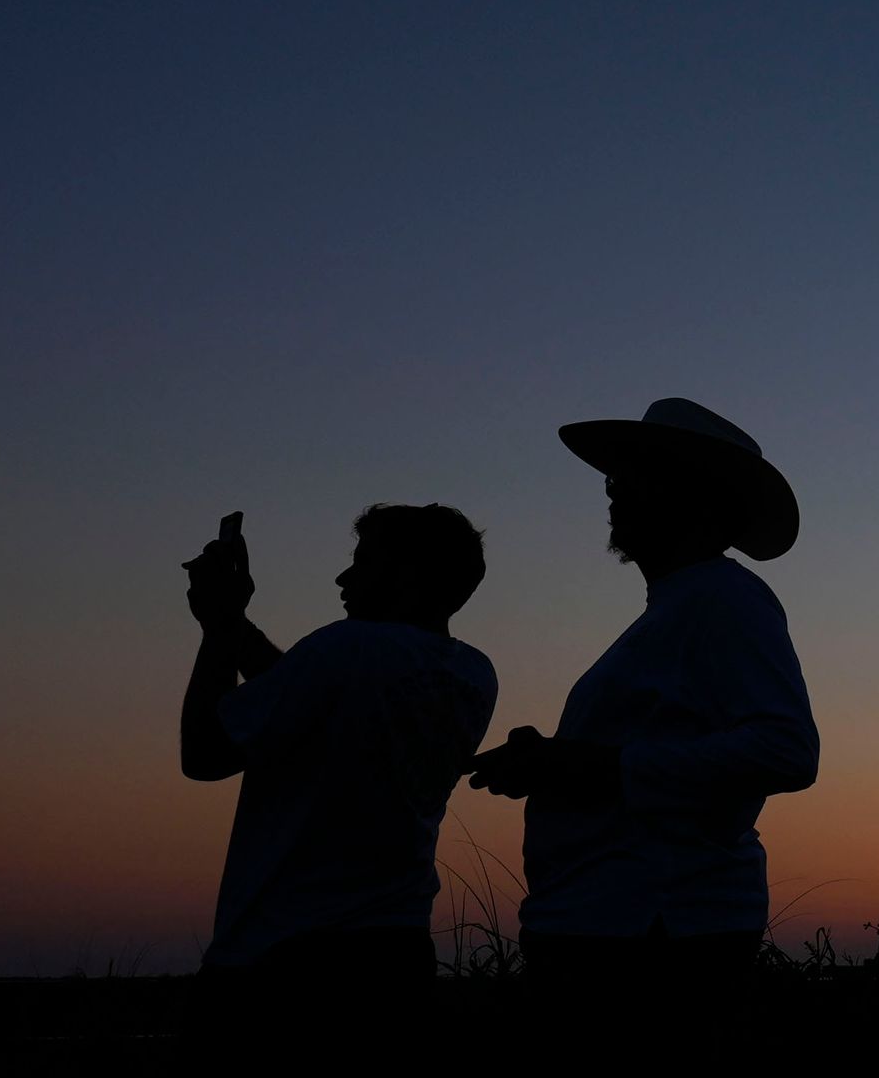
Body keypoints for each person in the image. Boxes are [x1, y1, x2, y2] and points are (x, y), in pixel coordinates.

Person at [468, 397, 819, 1025]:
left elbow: (786, 750)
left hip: (651, 935)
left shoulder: (721, 597)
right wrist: (552, 762)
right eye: (615, 476)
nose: (614, 492)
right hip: (627, 924)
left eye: (634, 476)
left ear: (695, 496)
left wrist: (595, 765)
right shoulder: (685, 606)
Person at [179, 503, 498, 1033]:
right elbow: (304, 690)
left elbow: (205, 754)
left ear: (408, 574)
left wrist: (217, 630)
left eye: (364, 561)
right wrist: (234, 621)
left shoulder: (345, 647)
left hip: (284, 958)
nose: (344, 577)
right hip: (394, 951)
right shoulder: (472, 673)